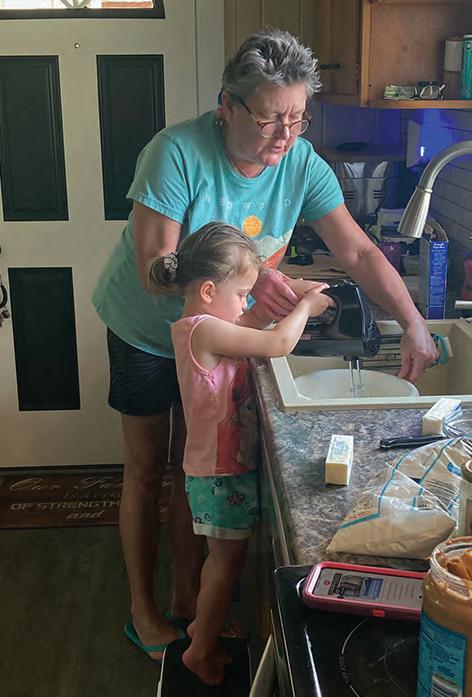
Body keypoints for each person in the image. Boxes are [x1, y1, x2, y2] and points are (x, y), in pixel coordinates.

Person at [92, 28, 438, 659]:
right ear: (227, 105)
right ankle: (143, 608)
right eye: (270, 118)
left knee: (194, 465)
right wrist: (249, 278)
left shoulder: (300, 163)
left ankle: (188, 599)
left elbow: (359, 252)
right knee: (146, 469)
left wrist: (413, 322)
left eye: (298, 118)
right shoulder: (176, 153)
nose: (285, 135)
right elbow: (154, 269)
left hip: (223, 337)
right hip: (145, 329)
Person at [149, 221, 335, 685]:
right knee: (224, 563)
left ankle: (202, 628)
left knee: (224, 559)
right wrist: (306, 307)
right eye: (242, 294)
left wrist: (279, 301)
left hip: (220, 467)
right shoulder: (201, 330)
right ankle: (199, 652)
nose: (245, 304)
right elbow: (276, 344)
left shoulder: (209, 325)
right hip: (218, 472)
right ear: (208, 291)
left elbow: (251, 327)